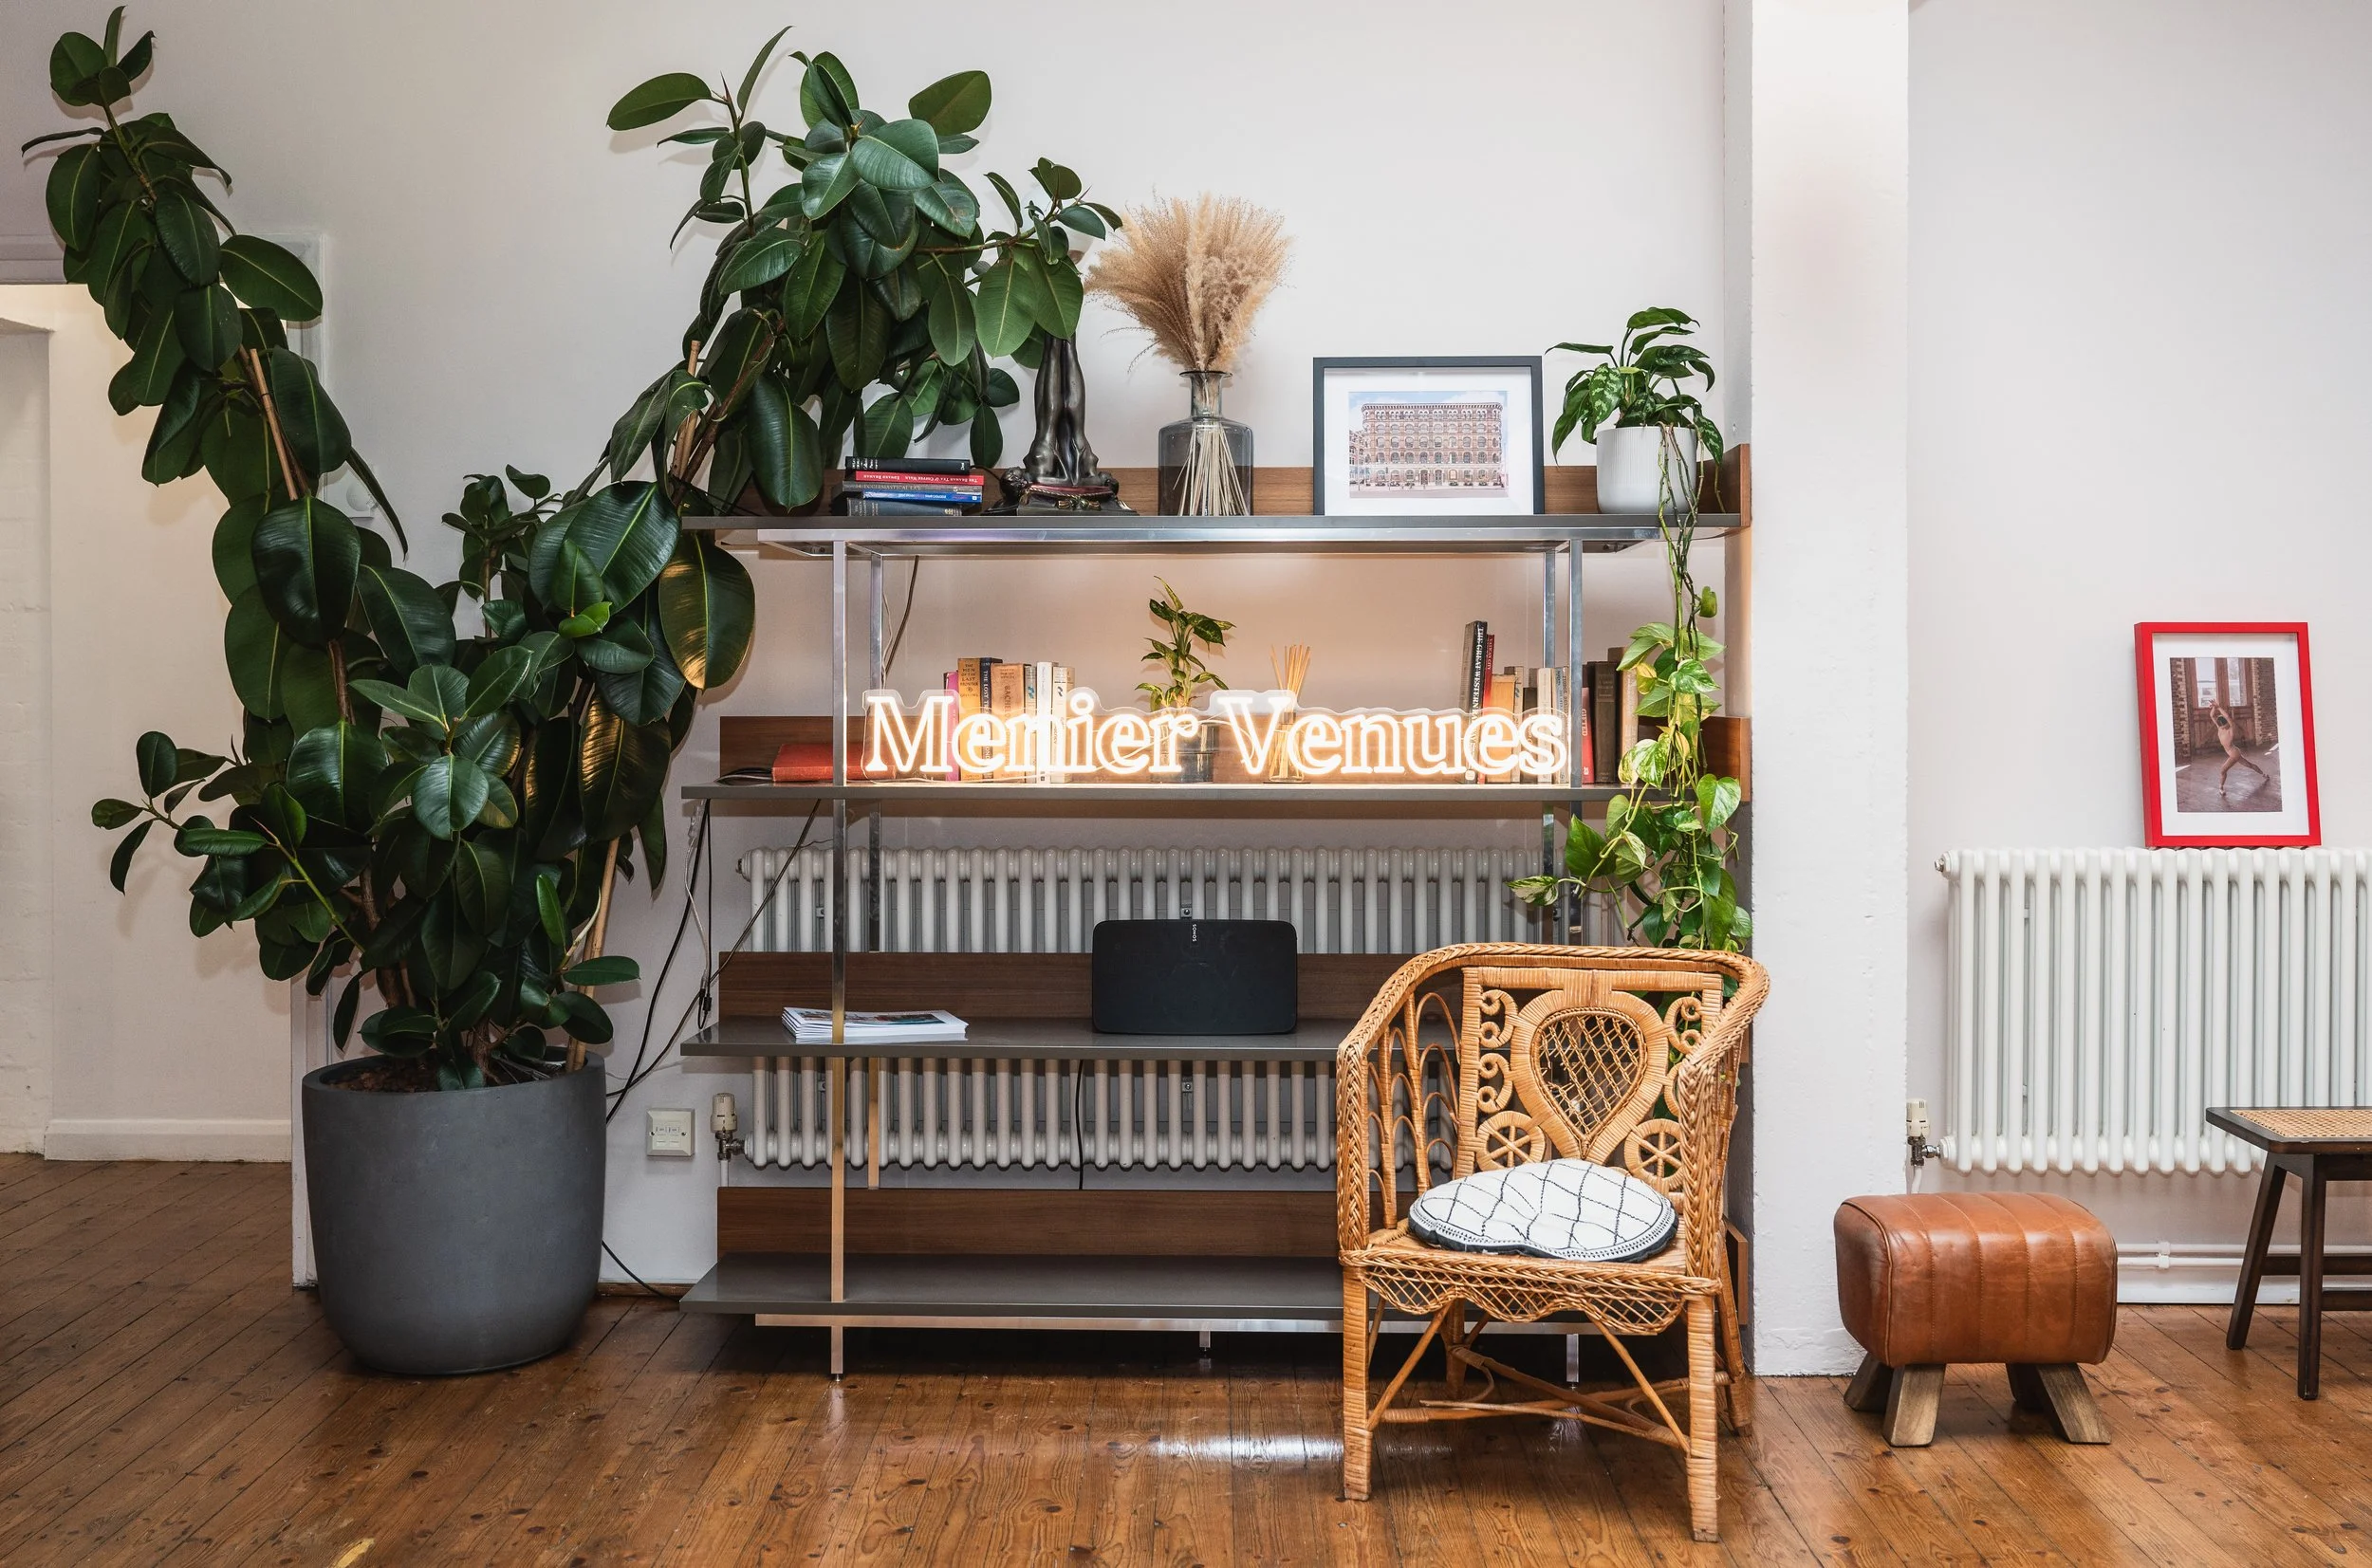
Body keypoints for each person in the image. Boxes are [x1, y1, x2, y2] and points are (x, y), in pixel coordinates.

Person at [2211, 699, 2269, 798]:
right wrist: (2213, 707)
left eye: (2224, 725)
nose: (2223, 727)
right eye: (2222, 725)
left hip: (2234, 753)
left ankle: (2221, 788)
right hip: (2234, 751)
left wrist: (2219, 707)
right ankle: (2264, 775)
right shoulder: (2219, 727)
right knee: (2249, 765)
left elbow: (2228, 717)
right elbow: (2212, 715)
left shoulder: (2230, 729)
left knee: (2222, 771)